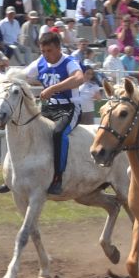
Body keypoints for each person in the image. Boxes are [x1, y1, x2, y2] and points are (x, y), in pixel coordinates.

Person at [27, 29, 87, 195]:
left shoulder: (69, 61)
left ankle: (58, 178)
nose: (46, 55)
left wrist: (53, 88)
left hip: (69, 108)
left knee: (58, 133)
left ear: (58, 48)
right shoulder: (40, 62)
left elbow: (79, 78)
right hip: (48, 107)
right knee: (25, 127)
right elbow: (21, 75)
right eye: (43, 51)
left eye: (49, 51)